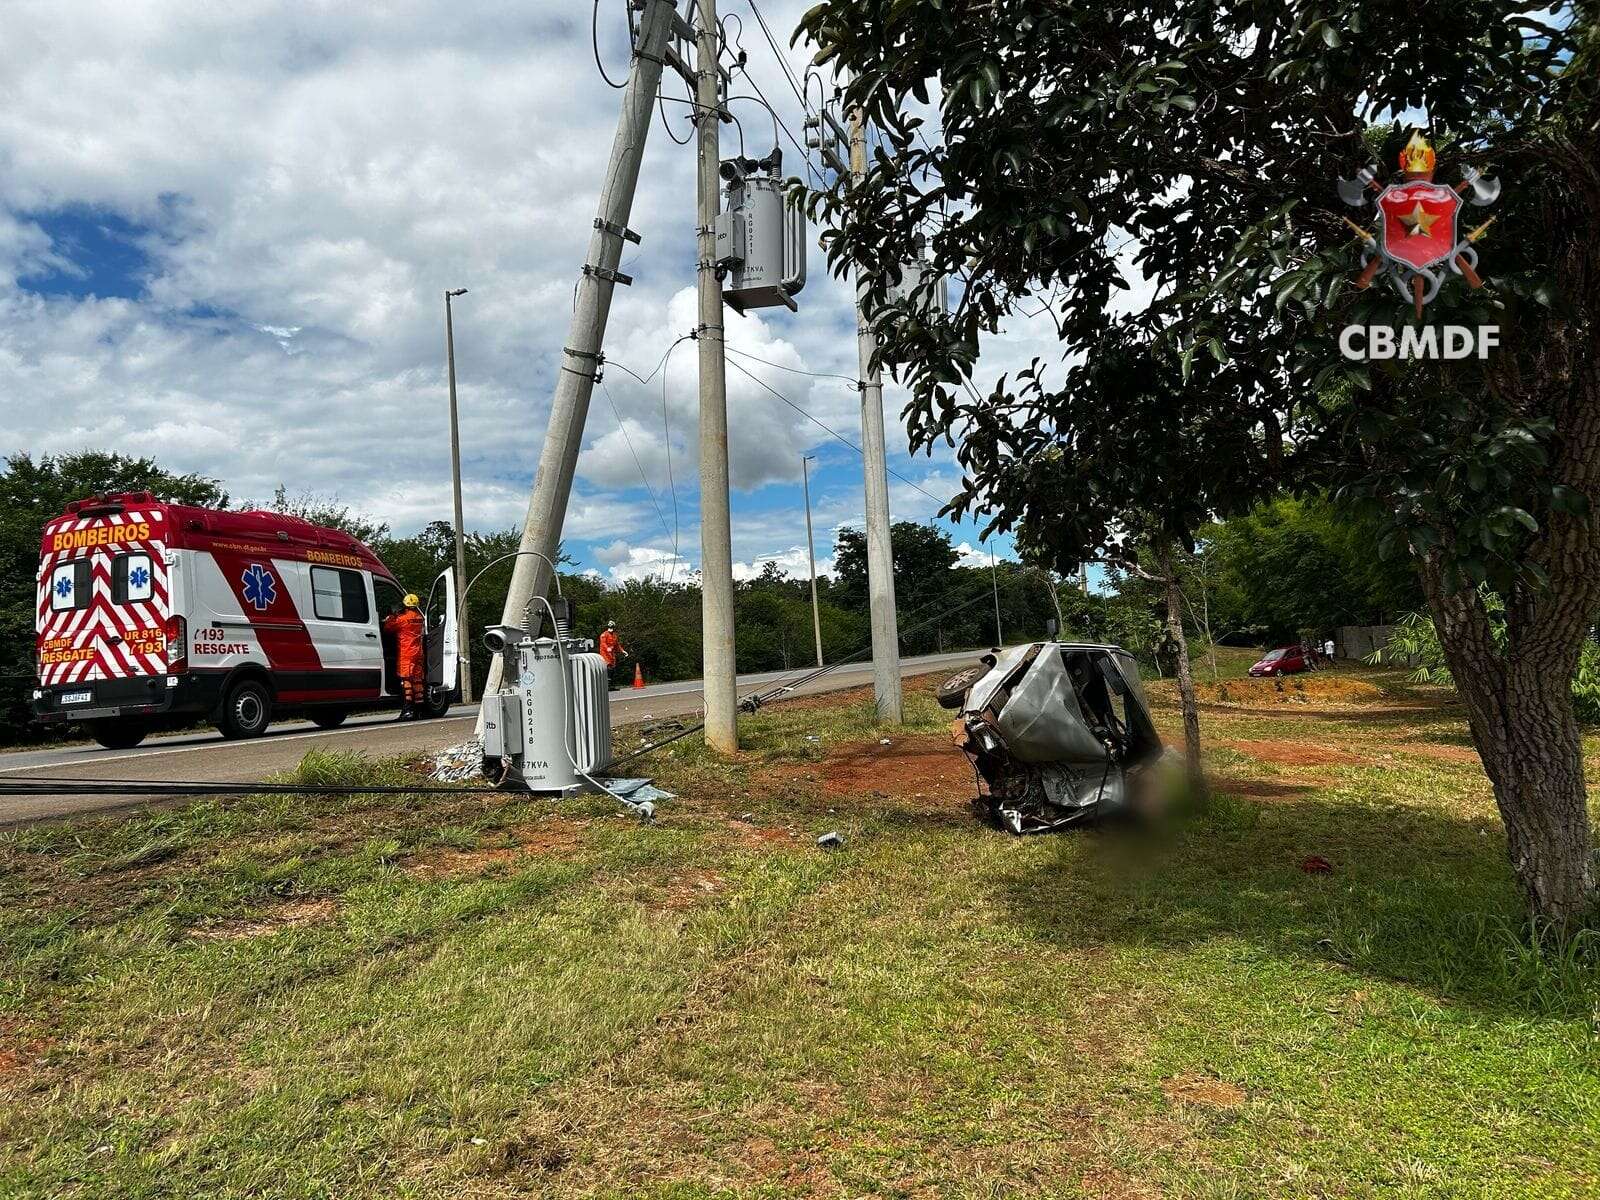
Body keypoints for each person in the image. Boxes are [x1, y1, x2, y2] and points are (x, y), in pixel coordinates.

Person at [383, 593, 426, 719]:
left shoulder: (401, 619)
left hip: (406, 653)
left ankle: (408, 710)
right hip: (419, 652)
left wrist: (391, 616)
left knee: (406, 681)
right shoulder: (420, 618)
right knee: (418, 681)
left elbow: (387, 628)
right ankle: (420, 710)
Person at [598, 619, 630, 686]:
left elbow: (617, 645)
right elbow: (603, 643)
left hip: (611, 654)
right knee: (609, 667)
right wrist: (607, 648)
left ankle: (611, 683)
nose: (611, 628)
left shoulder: (614, 635)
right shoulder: (604, 634)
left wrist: (622, 651)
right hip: (605, 653)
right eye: (610, 627)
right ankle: (607, 683)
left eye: (612, 627)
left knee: (613, 668)